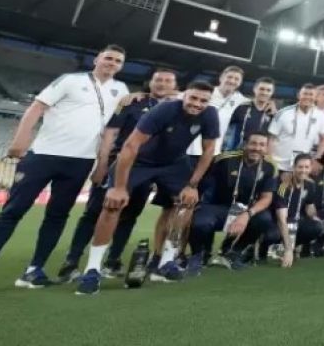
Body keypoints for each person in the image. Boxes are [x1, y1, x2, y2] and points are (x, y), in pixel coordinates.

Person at [0, 45, 129, 298]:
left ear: (121, 66)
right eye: (108, 58)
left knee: (57, 216)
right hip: (44, 155)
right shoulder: (70, 80)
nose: (112, 63)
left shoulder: (120, 90)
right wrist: (19, 141)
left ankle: (34, 270)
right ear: (97, 58)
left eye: (118, 61)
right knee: (12, 212)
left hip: (80, 162)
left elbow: (112, 129)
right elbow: (36, 108)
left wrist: (101, 165)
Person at [75, 81, 219, 295]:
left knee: (186, 202)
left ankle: (166, 262)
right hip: (139, 161)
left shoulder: (209, 115)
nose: (197, 104)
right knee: (113, 205)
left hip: (174, 163)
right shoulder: (164, 110)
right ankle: (93, 270)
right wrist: (119, 188)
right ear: (184, 96)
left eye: (203, 101)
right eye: (193, 98)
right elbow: (131, 146)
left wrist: (192, 185)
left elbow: (209, 151)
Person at [59, 67, 177, 282]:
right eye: (158, 80)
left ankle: (112, 261)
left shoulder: (178, 109)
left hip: (146, 170)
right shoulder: (131, 103)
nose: (162, 84)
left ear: (175, 86)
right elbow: (111, 133)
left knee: (130, 215)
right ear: (150, 83)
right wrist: (102, 164)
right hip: (118, 163)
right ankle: (72, 262)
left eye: (168, 81)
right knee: (94, 213)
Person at [187, 131, 276, 271]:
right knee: (201, 222)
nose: (257, 148)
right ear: (245, 144)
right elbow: (203, 181)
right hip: (217, 208)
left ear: (266, 148)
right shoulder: (224, 159)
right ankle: (200, 255)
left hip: (245, 211)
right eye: (253, 143)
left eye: (261, 145)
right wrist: (196, 202)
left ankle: (233, 252)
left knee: (264, 219)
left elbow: (267, 198)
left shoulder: (270, 167)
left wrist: (247, 214)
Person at [187, 66, 247, 166]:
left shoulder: (242, 101)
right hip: (190, 145)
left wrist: (270, 106)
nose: (232, 81)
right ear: (221, 78)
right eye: (229, 77)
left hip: (216, 151)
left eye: (236, 79)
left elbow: (258, 106)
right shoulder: (206, 93)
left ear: (240, 83)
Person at [267, 153, 317, 267]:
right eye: (300, 167)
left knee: (316, 227)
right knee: (272, 235)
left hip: (295, 222)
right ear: (293, 167)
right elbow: (281, 220)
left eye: (306, 167)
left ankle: (291, 246)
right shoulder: (284, 185)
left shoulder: (310, 185)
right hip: (278, 223)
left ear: (311, 168)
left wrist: (315, 213)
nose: (303, 170)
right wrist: (288, 250)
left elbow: (310, 210)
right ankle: (266, 249)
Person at [269, 84, 324, 175]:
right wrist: (270, 161)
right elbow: (271, 138)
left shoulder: (321, 116)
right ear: (299, 95)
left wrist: (316, 158)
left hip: (302, 168)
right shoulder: (283, 113)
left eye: (311, 94)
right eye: (305, 94)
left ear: (316, 97)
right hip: (279, 165)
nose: (308, 97)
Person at [223, 77, 276, 152]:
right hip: (236, 152)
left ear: (272, 93)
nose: (264, 92)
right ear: (255, 89)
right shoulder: (241, 108)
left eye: (268, 90)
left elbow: (273, 139)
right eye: (261, 89)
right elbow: (224, 126)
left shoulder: (273, 114)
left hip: (258, 154)